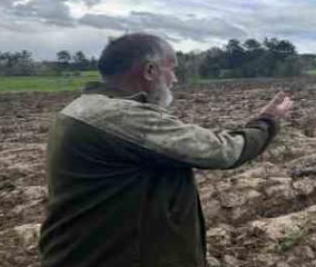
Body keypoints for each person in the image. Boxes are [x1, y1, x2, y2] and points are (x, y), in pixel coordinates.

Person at [39, 33, 293, 266]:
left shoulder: (83, 109)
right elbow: (224, 151)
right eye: (172, 69)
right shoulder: (119, 116)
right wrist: (267, 121)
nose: (176, 79)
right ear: (150, 71)